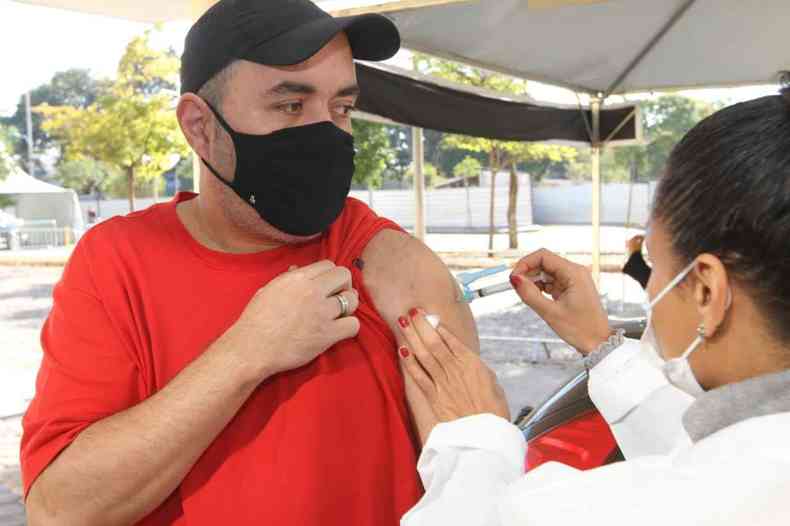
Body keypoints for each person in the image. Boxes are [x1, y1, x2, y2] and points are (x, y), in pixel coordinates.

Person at [21, 2, 477, 525]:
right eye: (290, 105)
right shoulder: (117, 260)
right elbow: (61, 511)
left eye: (342, 107)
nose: (326, 132)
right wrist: (246, 352)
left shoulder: (385, 258)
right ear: (200, 126)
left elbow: (475, 474)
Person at [397, 80, 790, 526]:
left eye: (655, 264)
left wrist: (475, 444)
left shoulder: (653, 506)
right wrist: (601, 346)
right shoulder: (755, 459)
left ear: (706, 291)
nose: (651, 287)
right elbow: (707, 448)